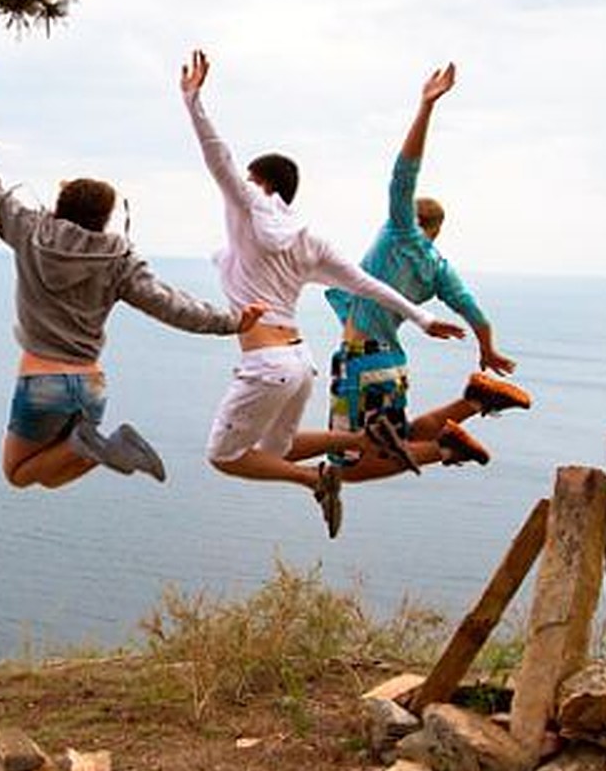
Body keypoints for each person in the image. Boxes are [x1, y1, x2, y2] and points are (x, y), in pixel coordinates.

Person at [178, 50, 465, 538]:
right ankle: (361, 437)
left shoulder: (248, 206)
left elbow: (217, 157)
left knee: (223, 457)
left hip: (266, 365)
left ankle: (317, 479)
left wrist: (193, 101)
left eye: (249, 181)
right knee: (277, 448)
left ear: (260, 182)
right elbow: (364, 285)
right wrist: (420, 318)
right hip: (298, 363)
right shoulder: (311, 241)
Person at [0, 81, 266, 490]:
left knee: (18, 474)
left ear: (59, 207)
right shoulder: (118, 260)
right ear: (105, 219)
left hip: (41, 380)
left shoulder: (27, 231)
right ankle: (101, 444)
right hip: (91, 385)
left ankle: (94, 444)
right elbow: (170, 304)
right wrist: (233, 322)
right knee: (54, 477)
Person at [317, 62, 531, 481]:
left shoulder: (398, 232)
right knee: (399, 437)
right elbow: (474, 312)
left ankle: (444, 448)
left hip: (361, 360)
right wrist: (487, 350)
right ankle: (473, 400)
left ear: (413, 220)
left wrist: (426, 106)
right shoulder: (439, 269)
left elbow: (403, 173)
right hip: (391, 361)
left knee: (349, 466)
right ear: (440, 229)